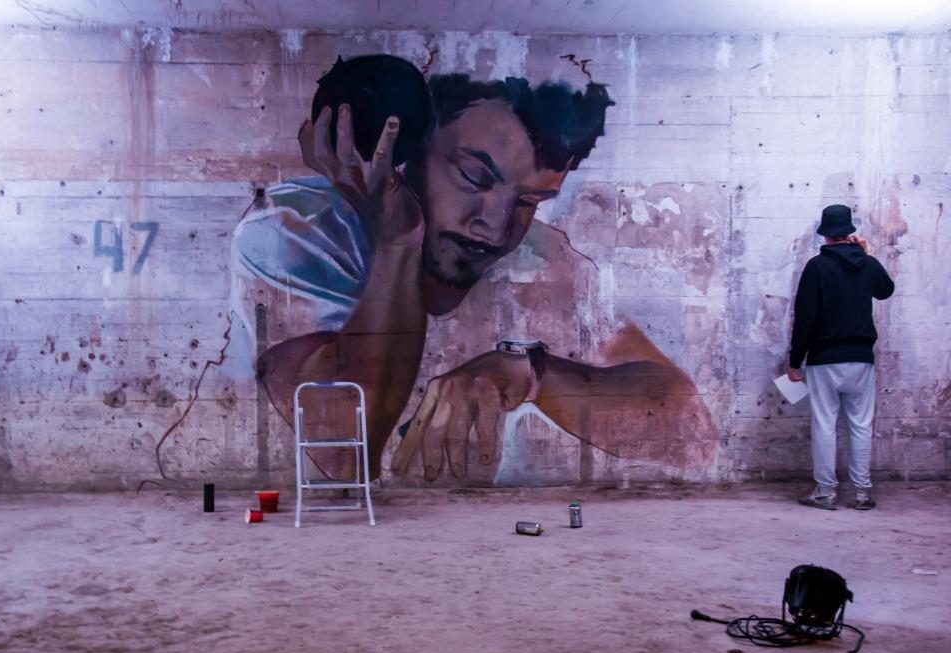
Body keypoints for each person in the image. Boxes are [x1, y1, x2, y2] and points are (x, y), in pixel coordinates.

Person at [233, 54, 714, 483]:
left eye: (529, 201)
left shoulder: (547, 263)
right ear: (404, 154)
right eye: (473, 177)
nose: (495, 227)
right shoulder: (293, 232)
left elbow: (690, 430)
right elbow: (345, 452)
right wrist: (397, 242)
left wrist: (530, 374)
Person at [787, 204, 895, 510]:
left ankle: (825, 492)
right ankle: (862, 494)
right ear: (849, 232)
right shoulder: (867, 264)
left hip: (825, 359)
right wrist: (867, 254)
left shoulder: (817, 267)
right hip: (861, 359)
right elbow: (886, 290)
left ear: (825, 234)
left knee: (825, 424)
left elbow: (805, 318)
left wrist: (795, 361)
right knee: (860, 425)